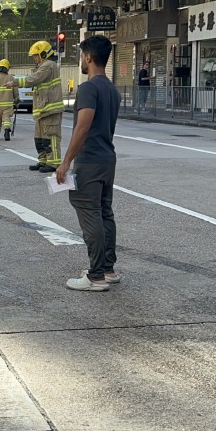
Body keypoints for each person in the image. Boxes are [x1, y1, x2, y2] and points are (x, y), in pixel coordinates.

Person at [56, 35, 121, 292]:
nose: (81, 60)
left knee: (89, 212)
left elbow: (83, 127)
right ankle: (107, 269)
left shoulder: (89, 88)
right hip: (107, 158)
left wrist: (65, 162)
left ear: (88, 57)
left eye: (82, 55)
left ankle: (95, 276)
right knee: (104, 212)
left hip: (90, 160)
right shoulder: (112, 89)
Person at [7, 40, 64, 173]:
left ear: (44, 54)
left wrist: (15, 82)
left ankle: (54, 162)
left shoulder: (48, 65)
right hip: (43, 110)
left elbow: (34, 79)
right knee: (40, 138)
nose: (34, 58)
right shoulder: (42, 66)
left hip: (50, 109)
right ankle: (43, 161)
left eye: (36, 55)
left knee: (51, 137)